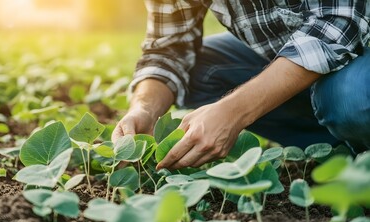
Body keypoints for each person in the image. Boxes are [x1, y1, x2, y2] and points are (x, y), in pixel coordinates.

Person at [112, 0, 370, 170]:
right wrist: (144, 109)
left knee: (350, 97)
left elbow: (338, 20)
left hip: (361, 48)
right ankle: (337, 143)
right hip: (300, 54)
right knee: (200, 71)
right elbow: (168, 48)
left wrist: (233, 112)